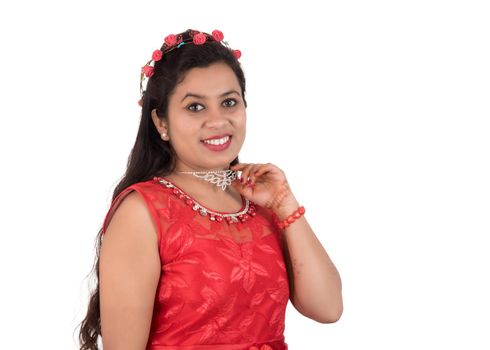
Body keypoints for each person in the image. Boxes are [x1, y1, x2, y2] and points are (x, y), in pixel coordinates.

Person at [77, 28, 343, 350]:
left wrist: (285, 204)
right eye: (195, 107)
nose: (218, 121)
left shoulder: (259, 200)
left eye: (229, 102)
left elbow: (327, 308)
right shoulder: (143, 212)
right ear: (162, 123)